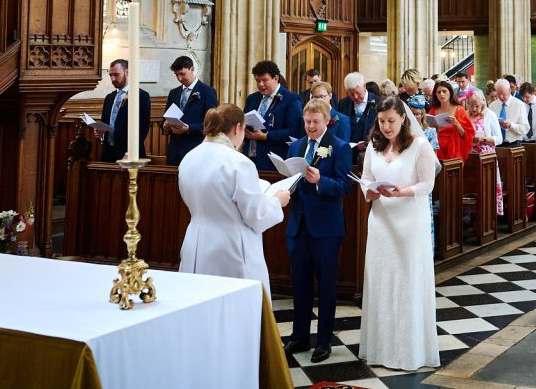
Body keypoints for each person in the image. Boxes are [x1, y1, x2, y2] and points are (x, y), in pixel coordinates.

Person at [358, 97, 441, 371]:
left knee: (407, 282)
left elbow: (427, 184)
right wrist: (368, 190)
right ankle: (381, 348)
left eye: (391, 121)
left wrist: (401, 192)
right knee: (382, 281)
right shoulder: (374, 144)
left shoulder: (420, 145)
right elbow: (367, 177)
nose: (386, 126)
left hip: (410, 221)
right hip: (381, 221)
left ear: (403, 118)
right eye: (381, 121)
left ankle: (410, 351)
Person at [177, 104, 290, 291]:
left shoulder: (189, 157)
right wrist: (277, 201)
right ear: (237, 128)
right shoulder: (239, 162)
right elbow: (256, 215)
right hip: (230, 249)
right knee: (231, 310)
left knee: (198, 304)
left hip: (195, 243)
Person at [285, 99, 353, 363]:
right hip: (298, 225)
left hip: (326, 228)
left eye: (315, 122)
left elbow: (344, 187)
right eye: (307, 121)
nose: (310, 126)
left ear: (327, 121)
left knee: (325, 286)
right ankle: (299, 336)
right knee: (299, 285)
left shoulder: (338, 147)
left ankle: (323, 340)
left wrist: (320, 181)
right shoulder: (295, 145)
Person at [242, 60, 302, 170]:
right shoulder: (252, 98)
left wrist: (265, 136)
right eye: (258, 81)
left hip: (273, 160)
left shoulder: (291, 99)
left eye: (264, 80)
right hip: (250, 157)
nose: (261, 84)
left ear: (276, 78)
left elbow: (294, 131)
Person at [163, 55, 219, 166]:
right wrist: (165, 127)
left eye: (182, 74)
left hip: (195, 149)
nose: (179, 78)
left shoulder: (207, 91)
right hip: (174, 152)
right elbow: (164, 118)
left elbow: (213, 124)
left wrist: (189, 128)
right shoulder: (173, 93)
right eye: (176, 75)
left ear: (192, 69)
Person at [93, 59, 151, 163]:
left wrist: (130, 153)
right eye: (110, 75)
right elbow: (105, 123)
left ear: (127, 72)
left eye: (116, 75)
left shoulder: (141, 96)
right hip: (108, 153)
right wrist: (100, 134)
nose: (113, 79)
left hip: (129, 154)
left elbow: (142, 128)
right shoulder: (109, 98)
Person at [465, 90, 503, 215]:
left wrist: (484, 139)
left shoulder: (489, 115)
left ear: (482, 104)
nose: (474, 109)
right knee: (471, 187)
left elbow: (499, 138)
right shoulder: (465, 115)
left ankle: (489, 213)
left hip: (486, 156)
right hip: (470, 156)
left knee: (487, 186)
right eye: (471, 106)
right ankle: (471, 214)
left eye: (477, 106)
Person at [431, 79, 473, 161]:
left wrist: (456, 124)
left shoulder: (459, 110)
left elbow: (467, 135)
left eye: (444, 91)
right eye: (438, 92)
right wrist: (434, 128)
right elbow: (427, 131)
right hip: (436, 149)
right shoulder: (433, 110)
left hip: (454, 148)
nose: (441, 94)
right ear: (435, 95)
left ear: (450, 92)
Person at [337, 71, 379, 154]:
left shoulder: (379, 102)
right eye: (351, 94)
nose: (355, 97)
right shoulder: (343, 104)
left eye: (358, 93)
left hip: (371, 152)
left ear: (364, 86)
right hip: (349, 153)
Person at [491, 79, 528, 146]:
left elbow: (525, 129)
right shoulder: (493, 106)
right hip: (497, 143)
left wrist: (511, 125)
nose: (501, 97)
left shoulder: (519, 104)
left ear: (510, 90)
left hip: (514, 143)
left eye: (503, 94)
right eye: (498, 94)